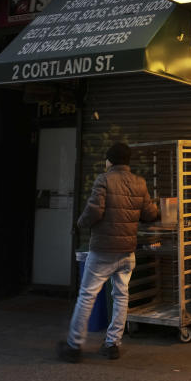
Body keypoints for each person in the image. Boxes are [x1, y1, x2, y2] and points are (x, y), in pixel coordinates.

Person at [57, 142, 159, 362]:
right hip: (127, 252)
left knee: (87, 295)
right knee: (121, 296)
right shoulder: (139, 183)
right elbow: (150, 213)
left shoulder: (104, 179)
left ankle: (74, 346)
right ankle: (113, 344)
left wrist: (80, 223)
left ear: (110, 161)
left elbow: (94, 211)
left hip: (103, 250)